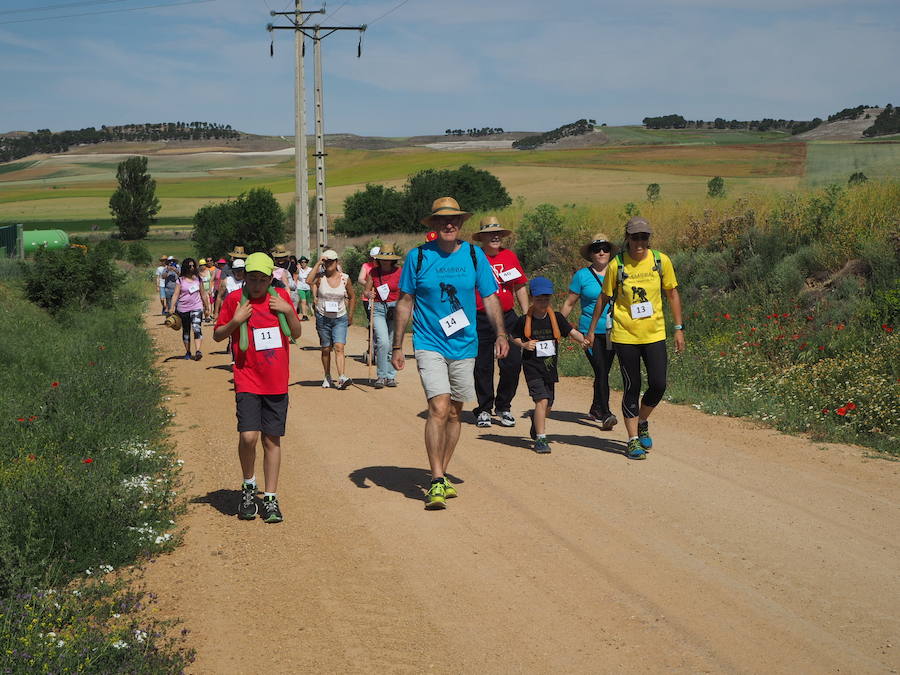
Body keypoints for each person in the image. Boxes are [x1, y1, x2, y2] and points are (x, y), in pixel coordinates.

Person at [391, 197, 506, 510]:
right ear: (434, 225)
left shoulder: (473, 254)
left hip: (466, 344)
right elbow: (404, 302)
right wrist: (398, 345)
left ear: (460, 223)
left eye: (453, 219)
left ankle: (440, 468)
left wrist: (500, 333)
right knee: (439, 407)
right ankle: (438, 478)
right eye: (442, 220)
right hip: (429, 342)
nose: (449, 224)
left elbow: (490, 297)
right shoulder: (417, 257)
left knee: (456, 411)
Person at [586, 216, 685, 460]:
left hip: (654, 333)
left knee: (659, 384)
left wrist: (678, 327)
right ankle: (632, 440)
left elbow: (672, 294)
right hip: (625, 335)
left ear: (648, 239)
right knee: (632, 386)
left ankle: (642, 420)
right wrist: (590, 330)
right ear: (627, 238)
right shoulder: (617, 265)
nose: (639, 242)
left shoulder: (661, 261)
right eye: (635, 237)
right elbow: (604, 297)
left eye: (644, 237)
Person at [214, 252, 303, 523]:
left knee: (271, 439)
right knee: (248, 437)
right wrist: (236, 320)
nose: (255, 285)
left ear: (270, 279)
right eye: (251, 279)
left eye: (261, 280)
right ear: (244, 277)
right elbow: (218, 335)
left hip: (276, 380)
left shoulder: (281, 300)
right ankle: (249, 487)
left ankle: (271, 498)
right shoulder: (233, 301)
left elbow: (296, 334)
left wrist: (288, 311)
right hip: (247, 378)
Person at [511, 277, 585, 454]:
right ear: (531, 298)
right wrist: (523, 345)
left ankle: (536, 424)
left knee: (548, 405)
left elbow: (571, 331)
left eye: (546, 299)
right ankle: (541, 439)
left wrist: (585, 340)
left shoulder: (556, 318)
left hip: (549, 368)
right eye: (538, 299)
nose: (543, 302)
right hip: (532, 367)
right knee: (541, 400)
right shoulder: (523, 320)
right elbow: (513, 336)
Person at [471, 216, 529, 428]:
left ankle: (504, 406)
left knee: (513, 363)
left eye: (498, 233)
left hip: (508, 317)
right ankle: (484, 408)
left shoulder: (510, 256)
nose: (495, 236)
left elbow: (520, 285)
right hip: (481, 317)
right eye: (490, 233)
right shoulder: (474, 258)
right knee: (483, 365)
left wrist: (526, 315)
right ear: (482, 237)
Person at [560, 232, 618, 429]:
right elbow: (569, 303)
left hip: (615, 331)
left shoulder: (619, 271)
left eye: (605, 248)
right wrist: (557, 326)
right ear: (591, 254)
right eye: (596, 249)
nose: (601, 252)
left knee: (604, 372)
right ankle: (606, 413)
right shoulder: (582, 276)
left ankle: (595, 407)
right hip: (589, 333)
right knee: (601, 370)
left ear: (610, 252)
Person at [306, 249, 356, 390]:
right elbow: (308, 281)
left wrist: (350, 315)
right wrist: (317, 263)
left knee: (339, 347)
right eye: (326, 261)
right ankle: (327, 375)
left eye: (331, 261)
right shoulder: (320, 277)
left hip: (340, 317)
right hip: (323, 317)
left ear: (336, 262)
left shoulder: (344, 278)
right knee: (326, 348)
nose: (328, 264)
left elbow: (352, 297)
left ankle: (341, 377)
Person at [364, 243, 403, 389]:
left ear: (393, 260)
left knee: (394, 343)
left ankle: (390, 376)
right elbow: (366, 291)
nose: (386, 261)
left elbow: (406, 290)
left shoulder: (399, 271)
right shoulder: (373, 272)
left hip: (396, 308)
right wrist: (369, 294)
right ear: (379, 259)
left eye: (388, 259)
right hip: (379, 308)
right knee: (383, 342)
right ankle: (381, 375)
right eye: (383, 259)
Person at [169, 257, 211, 361]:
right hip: (183, 309)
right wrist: (172, 307)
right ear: (185, 267)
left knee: (197, 328)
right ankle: (188, 352)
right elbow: (175, 294)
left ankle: (198, 351)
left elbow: (203, 294)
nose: (192, 268)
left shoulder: (198, 279)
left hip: (196, 307)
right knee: (186, 331)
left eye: (193, 266)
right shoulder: (180, 280)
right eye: (190, 266)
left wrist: (207, 307)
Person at [295, 256, 312, 320]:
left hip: (307, 287)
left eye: (305, 262)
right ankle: (304, 316)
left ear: (307, 262)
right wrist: (298, 269)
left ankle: (306, 312)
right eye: (302, 262)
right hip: (300, 287)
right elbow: (295, 276)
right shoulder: (299, 269)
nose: (303, 263)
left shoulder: (310, 269)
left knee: (307, 302)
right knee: (303, 301)